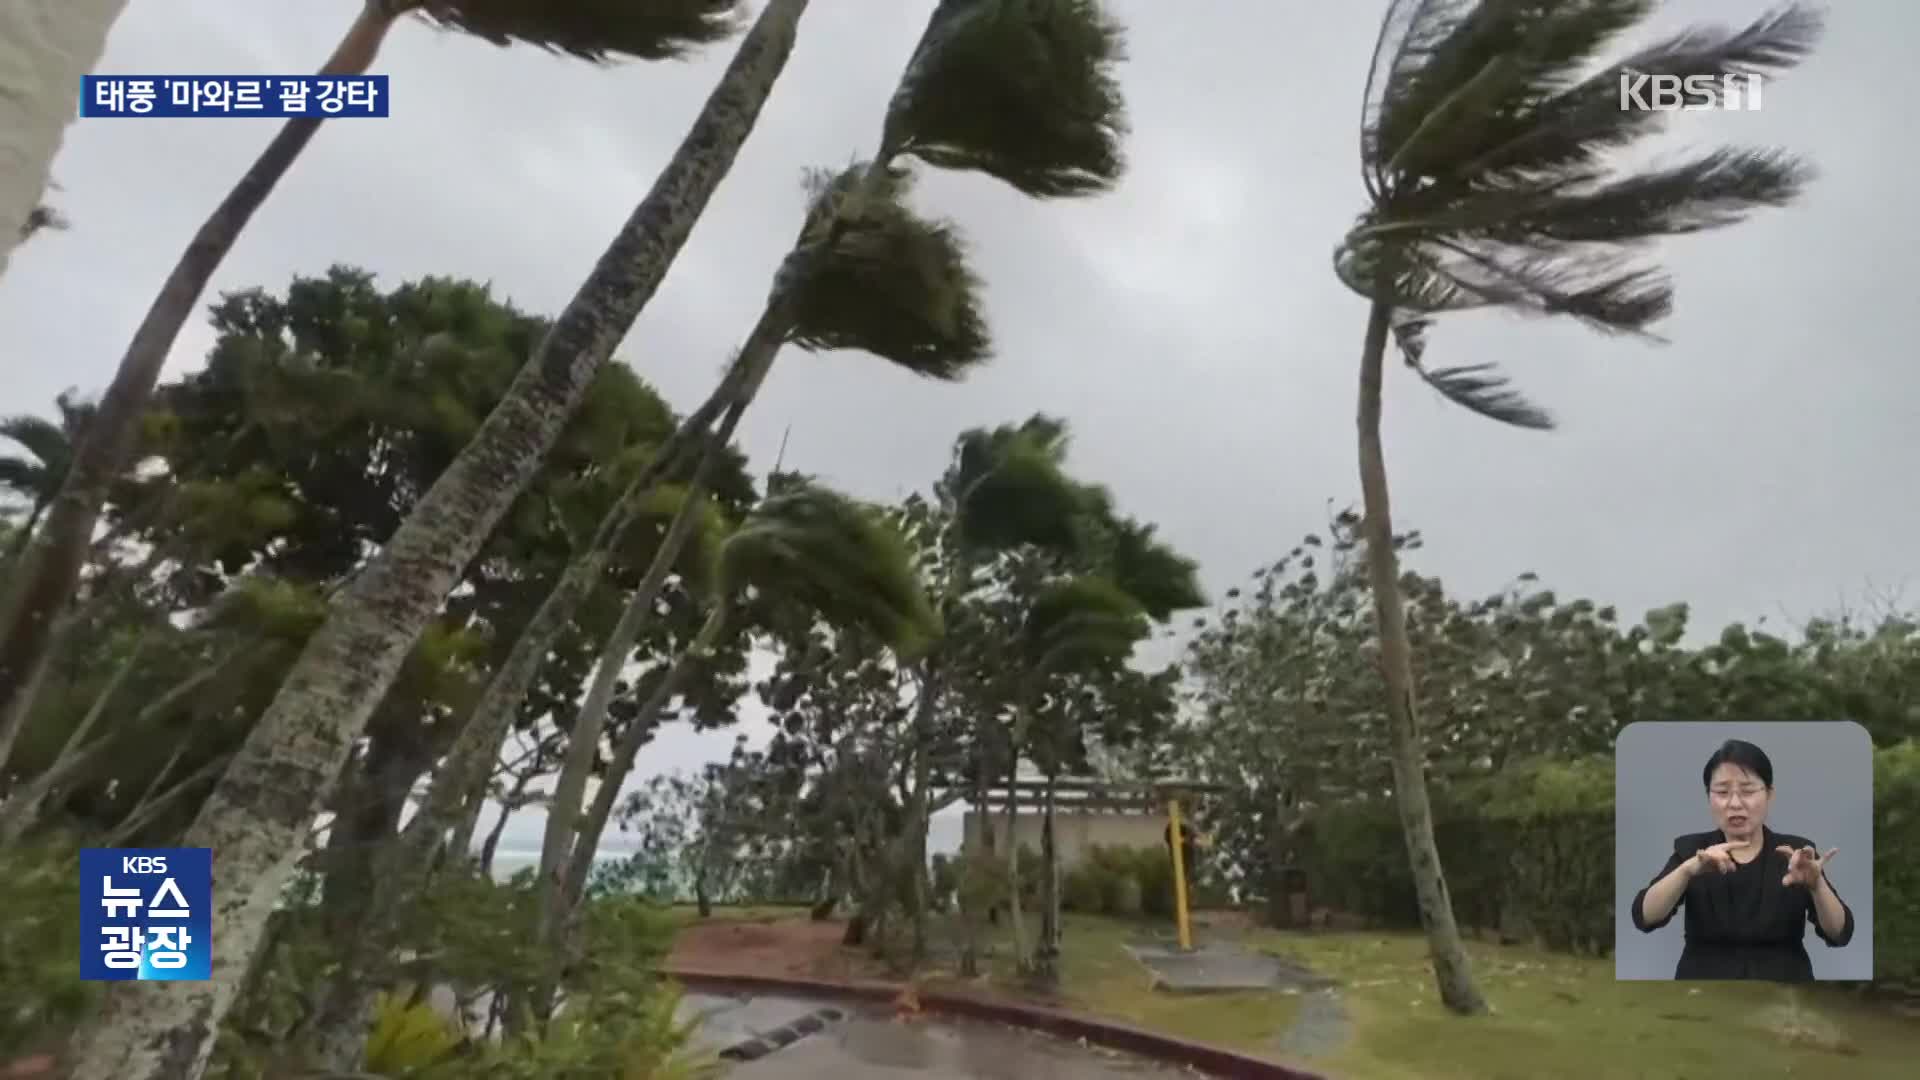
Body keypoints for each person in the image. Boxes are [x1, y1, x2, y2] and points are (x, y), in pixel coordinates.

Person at [1630, 738, 1854, 980]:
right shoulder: (1693, 850)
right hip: (1703, 987)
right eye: (1722, 792)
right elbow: (1645, 916)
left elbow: (1838, 933)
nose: (1735, 803)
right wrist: (1686, 871)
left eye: (1747, 791)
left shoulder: (1796, 854)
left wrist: (1817, 885)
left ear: (1769, 795)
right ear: (1709, 797)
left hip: (1785, 988)